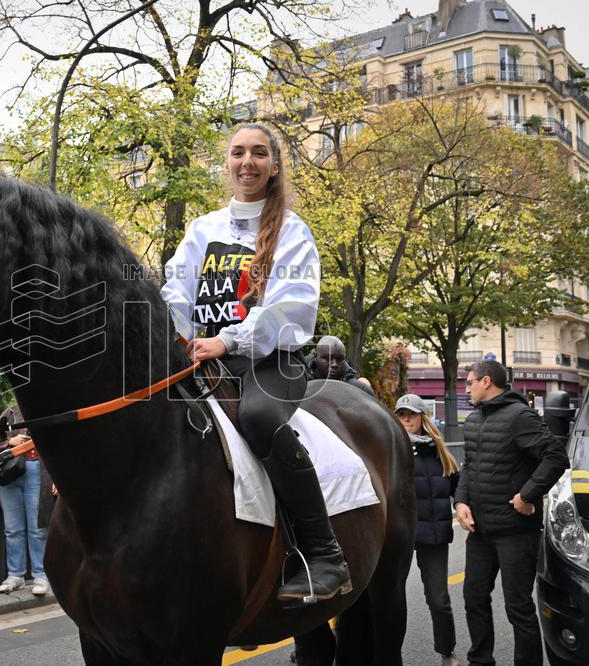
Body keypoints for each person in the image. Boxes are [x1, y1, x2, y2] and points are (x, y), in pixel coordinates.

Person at [160, 123, 350, 603]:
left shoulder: (292, 230)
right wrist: (174, 336)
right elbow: (176, 292)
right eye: (238, 153)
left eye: (259, 153)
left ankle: (325, 554)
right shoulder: (202, 229)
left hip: (270, 362)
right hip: (203, 359)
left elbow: (292, 307)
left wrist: (227, 340)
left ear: (274, 165)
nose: (248, 162)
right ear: (227, 162)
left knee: (261, 418)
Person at [454, 360, 569, 666]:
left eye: (469, 382)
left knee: (518, 608)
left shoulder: (520, 416)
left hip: (516, 533)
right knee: (474, 599)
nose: (466, 389)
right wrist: (460, 502)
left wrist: (527, 495)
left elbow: (556, 456)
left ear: (486, 381)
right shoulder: (473, 419)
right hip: (480, 532)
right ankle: (480, 660)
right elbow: (469, 467)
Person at [394, 394, 460, 666]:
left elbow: (460, 488)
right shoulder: (391, 449)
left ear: (422, 417)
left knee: (439, 599)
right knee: (391, 598)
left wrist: (464, 506)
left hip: (433, 535)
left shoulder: (440, 452)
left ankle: (447, 651)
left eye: (411, 414)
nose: (406, 419)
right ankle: (389, 652)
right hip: (399, 536)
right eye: (401, 414)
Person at [0, 402, 49, 597]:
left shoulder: (46, 408)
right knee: (12, 529)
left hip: (37, 469)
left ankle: (41, 575)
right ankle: (15, 575)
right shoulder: (10, 411)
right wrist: (10, 442)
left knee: (37, 528)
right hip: (10, 470)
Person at [310, 336, 375, 395]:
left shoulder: (359, 390)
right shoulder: (303, 382)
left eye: (339, 359)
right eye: (328, 358)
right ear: (316, 356)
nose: (334, 364)